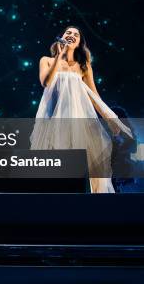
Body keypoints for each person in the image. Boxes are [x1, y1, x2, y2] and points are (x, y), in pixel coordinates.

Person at [30, 26, 131, 193]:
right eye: (68, 33)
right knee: (54, 166)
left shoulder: (83, 66)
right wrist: (60, 56)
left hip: (79, 122)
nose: (71, 35)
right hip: (53, 121)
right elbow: (46, 82)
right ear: (61, 38)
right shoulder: (46, 60)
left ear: (79, 43)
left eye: (76, 34)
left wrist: (110, 119)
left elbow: (95, 96)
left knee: (89, 167)